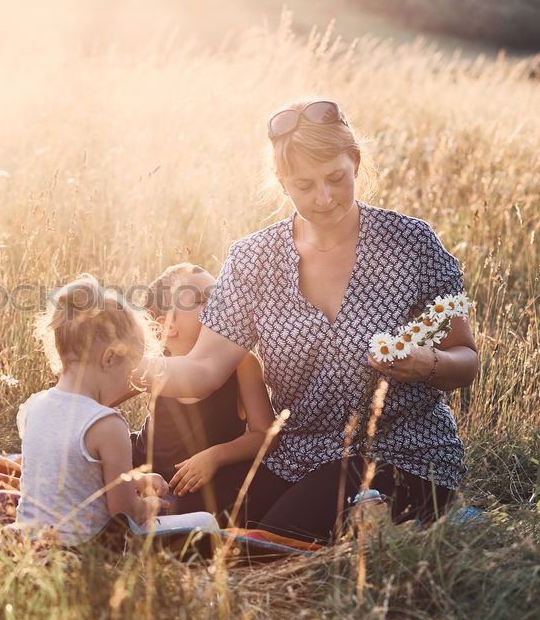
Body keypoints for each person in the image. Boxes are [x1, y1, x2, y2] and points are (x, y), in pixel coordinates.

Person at [139, 99, 479, 543]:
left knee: (272, 538)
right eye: (305, 185)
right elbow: (203, 370)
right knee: (185, 520)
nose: (324, 198)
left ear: (355, 162)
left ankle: (435, 519)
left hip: (404, 450)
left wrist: (427, 364)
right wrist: (129, 363)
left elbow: (465, 358)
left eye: (337, 178)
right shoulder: (252, 258)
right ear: (283, 184)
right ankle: (387, 530)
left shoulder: (412, 242)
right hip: (296, 452)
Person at [15, 275, 217, 545]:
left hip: (31, 543)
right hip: (90, 547)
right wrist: (152, 504)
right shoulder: (107, 424)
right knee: (207, 522)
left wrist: (135, 480)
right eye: (130, 369)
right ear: (109, 359)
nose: (132, 380)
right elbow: (124, 512)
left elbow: (72, 476)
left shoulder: (32, 407)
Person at [131, 263, 275, 524]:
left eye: (219, 296)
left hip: (204, 478)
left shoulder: (242, 363)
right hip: (147, 466)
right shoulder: (156, 363)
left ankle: (161, 520)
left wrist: (214, 457)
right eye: (202, 300)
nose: (218, 306)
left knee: (213, 506)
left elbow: (265, 435)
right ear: (168, 327)